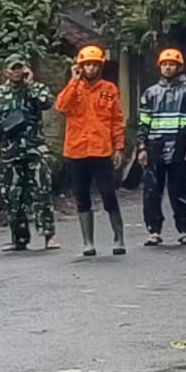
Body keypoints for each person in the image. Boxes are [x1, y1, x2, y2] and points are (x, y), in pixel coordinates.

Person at [53, 43, 127, 257]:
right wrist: (74, 81)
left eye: (95, 65)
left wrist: (119, 147)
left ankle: (119, 237)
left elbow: (116, 120)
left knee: (108, 195)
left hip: (101, 150)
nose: (91, 69)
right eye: (87, 65)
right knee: (81, 197)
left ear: (100, 67)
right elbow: (61, 106)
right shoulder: (73, 88)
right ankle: (88, 242)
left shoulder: (109, 89)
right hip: (76, 151)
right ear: (80, 66)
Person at [136, 47, 186, 244]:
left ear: (179, 67)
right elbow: (144, 122)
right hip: (154, 146)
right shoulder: (150, 93)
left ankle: (184, 229)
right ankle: (154, 230)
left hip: (179, 146)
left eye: (171, 64)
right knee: (151, 190)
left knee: (179, 189)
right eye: (164, 64)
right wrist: (142, 147)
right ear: (160, 67)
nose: (167, 68)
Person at [0, 59, 52, 252]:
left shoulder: (35, 89)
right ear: (6, 72)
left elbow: (47, 103)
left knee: (42, 191)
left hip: (34, 148)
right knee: (13, 197)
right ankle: (19, 239)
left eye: (20, 68)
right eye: (13, 69)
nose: (17, 72)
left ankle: (48, 236)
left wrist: (30, 84)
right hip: (9, 152)